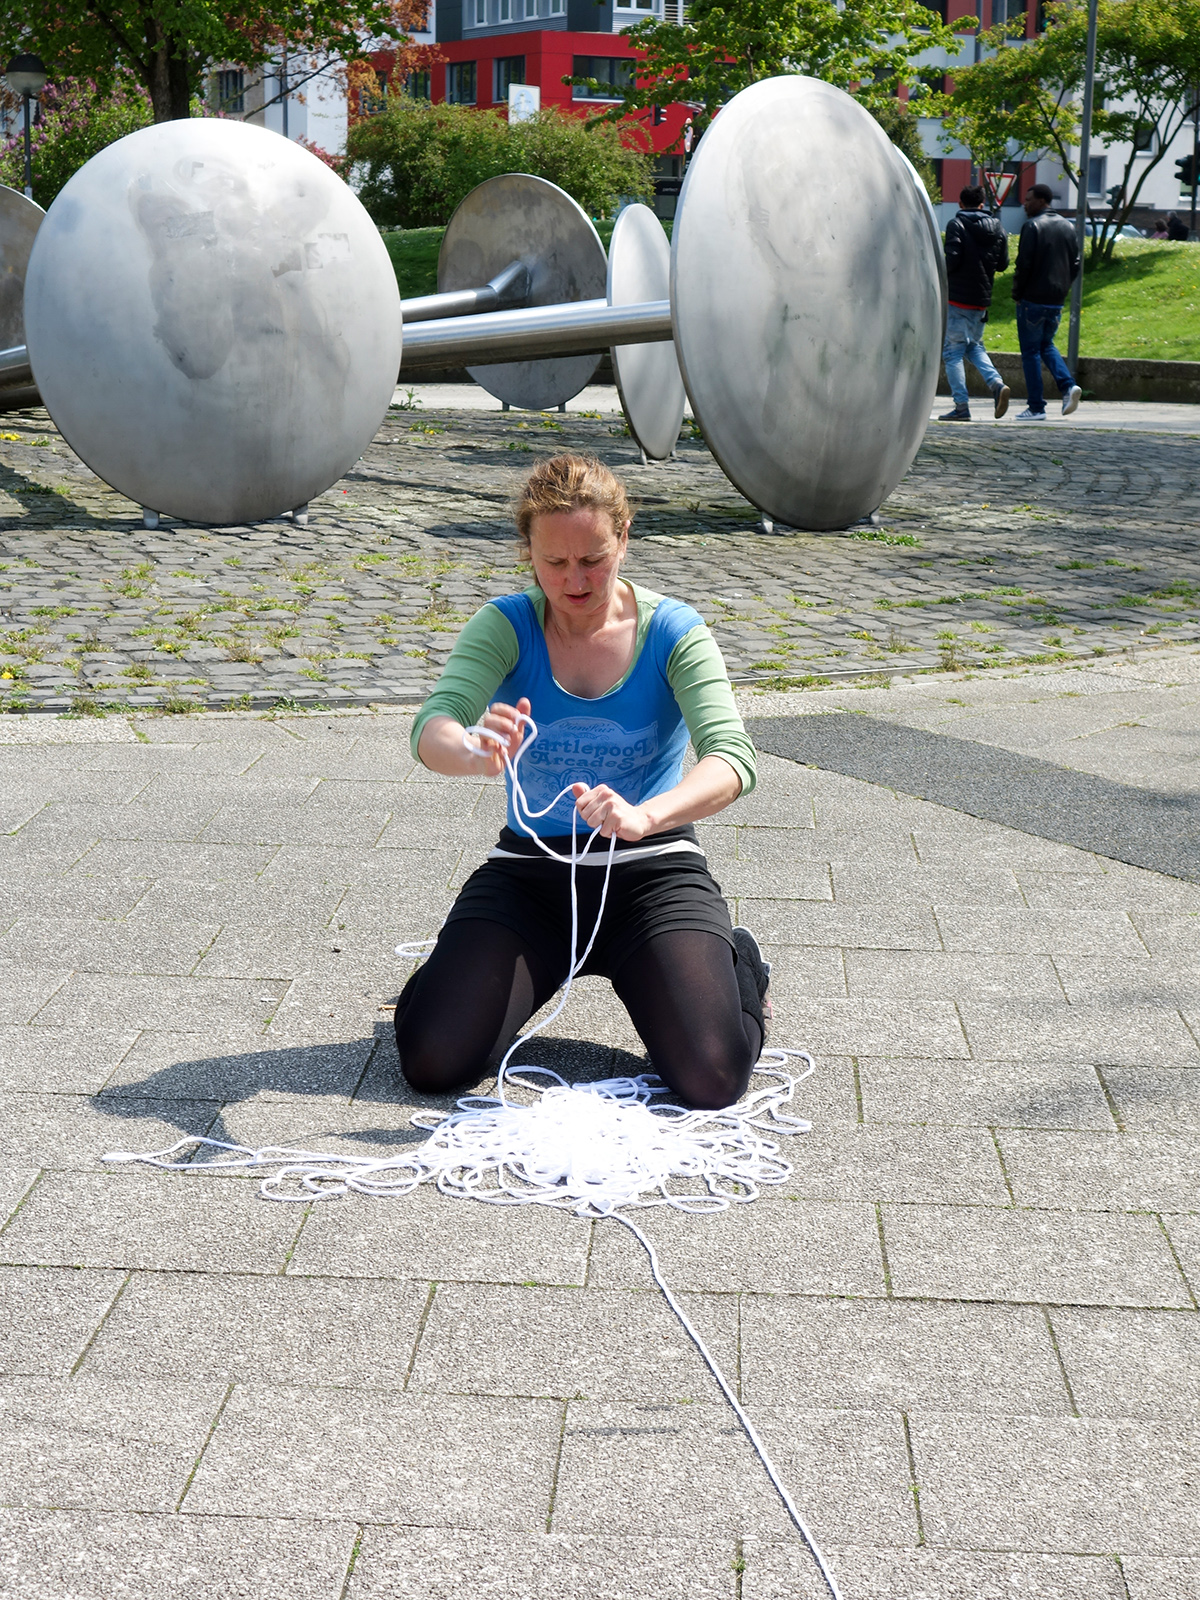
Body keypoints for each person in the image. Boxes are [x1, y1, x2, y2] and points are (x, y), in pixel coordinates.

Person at [394, 454, 768, 1111]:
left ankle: (740, 964)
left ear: (623, 537)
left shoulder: (674, 631)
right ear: (528, 553)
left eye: (592, 558)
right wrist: (474, 750)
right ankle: (455, 966)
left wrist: (647, 816)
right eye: (554, 562)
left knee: (713, 1076)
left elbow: (732, 758)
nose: (573, 580)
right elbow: (434, 726)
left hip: (652, 870)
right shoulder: (506, 624)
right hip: (531, 873)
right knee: (432, 1060)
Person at [939, 184, 1011, 423]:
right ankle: (997, 384)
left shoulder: (956, 224)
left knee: (952, 353)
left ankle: (961, 406)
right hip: (981, 300)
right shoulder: (997, 226)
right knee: (974, 347)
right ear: (982, 205)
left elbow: (953, 258)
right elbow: (1002, 264)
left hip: (957, 298)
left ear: (960, 204)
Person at [1012, 182, 1083, 421]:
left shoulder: (1032, 226)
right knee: (1046, 345)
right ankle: (1067, 386)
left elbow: (1024, 264)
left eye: (1029, 199)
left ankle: (1036, 406)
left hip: (1032, 298)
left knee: (1030, 352)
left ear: (1042, 201)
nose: (1025, 203)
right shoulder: (1068, 226)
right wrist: (1063, 288)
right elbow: (1076, 264)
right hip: (1056, 299)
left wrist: (1018, 293)